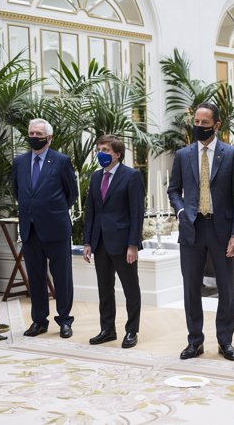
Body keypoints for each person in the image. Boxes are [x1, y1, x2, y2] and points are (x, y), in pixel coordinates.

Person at [167, 102, 234, 361]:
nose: (199, 126)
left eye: (204, 122)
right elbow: (173, 190)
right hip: (191, 229)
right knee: (191, 288)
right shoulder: (183, 155)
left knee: (226, 288)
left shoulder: (232, 155)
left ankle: (225, 342)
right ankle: (195, 341)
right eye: (197, 122)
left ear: (217, 125)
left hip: (221, 230)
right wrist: (180, 212)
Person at [12, 118, 78, 338]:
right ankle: (39, 320)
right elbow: (17, 191)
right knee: (36, 276)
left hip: (56, 229)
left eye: (38, 134)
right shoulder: (19, 162)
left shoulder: (61, 161)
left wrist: (52, 211)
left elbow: (72, 194)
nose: (34, 137)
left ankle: (65, 320)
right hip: (30, 229)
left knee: (62, 277)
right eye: (31, 133)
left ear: (49, 138)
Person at [83, 134, 145, 348]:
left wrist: (133, 244)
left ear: (118, 154)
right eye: (99, 149)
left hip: (123, 243)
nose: (101, 153)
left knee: (130, 288)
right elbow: (91, 211)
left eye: (106, 150)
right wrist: (88, 242)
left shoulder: (132, 176)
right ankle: (107, 329)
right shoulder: (95, 177)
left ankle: (131, 331)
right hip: (100, 242)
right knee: (104, 289)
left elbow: (137, 213)